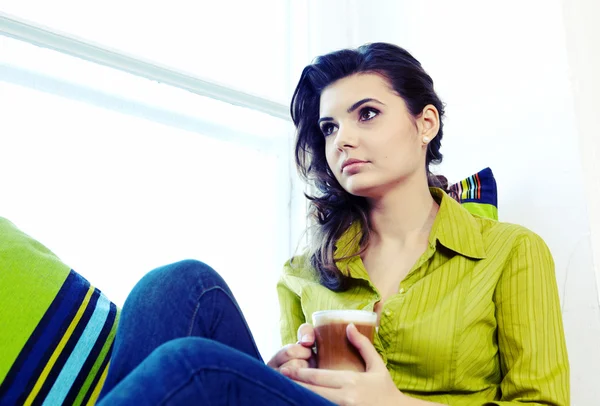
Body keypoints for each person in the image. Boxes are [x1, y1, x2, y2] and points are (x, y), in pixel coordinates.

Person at [97, 43, 569, 405]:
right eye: (329, 128)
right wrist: (276, 376)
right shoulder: (303, 271)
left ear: (425, 123)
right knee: (178, 285)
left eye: (367, 114)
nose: (343, 140)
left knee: (192, 365)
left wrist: (396, 403)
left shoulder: (511, 251)